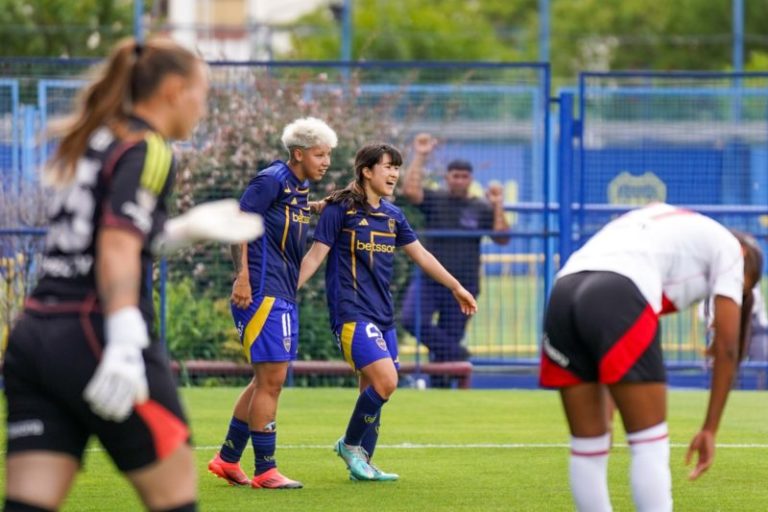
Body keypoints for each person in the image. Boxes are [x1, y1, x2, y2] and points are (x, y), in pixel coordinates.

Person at [2, 37, 264, 512]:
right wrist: (124, 340)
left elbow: (103, 235)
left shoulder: (97, 138)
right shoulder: (150, 147)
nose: (202, 107)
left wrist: (180, 230)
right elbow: (116, 245)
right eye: (200, 93)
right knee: (176, 500)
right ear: (171, 89)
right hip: (97, 334)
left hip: (35, 337)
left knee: (28, 504)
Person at [539, 203, 763, 512]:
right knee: (649, 444)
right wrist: (710, 429)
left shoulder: (669, 225)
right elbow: (727, 348)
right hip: (619, 292)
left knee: (587, 447)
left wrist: (612, 397)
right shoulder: (732, 250)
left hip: (563, 292)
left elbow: (612, 337)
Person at [297, 143, 477, 481]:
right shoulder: (341, 210)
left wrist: (456, 287)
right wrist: (285, 291)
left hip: (384, 316)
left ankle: (362, 463)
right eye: (388, 166)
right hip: (352, 312)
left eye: (397, 167)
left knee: (372, 389)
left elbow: (422, 256)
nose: (394, 173)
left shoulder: (394, 216)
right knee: (387, 381)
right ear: (367, 171)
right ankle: (350, 445)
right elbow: (315, 256)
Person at [207, 117, 337, 489]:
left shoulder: (297, 186)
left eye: (328, 154)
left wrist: (313, 207)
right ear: (298, 154)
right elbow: (240, 225)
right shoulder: (271, 179)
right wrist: (242, 276)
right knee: (272, 383)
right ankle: (266, 470)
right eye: (320, 154)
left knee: (264, 380)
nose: (326, 161)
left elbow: (286, 211)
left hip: (281, 292)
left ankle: (228, 459)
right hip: (262, 291)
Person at [401, 133, 509, 385]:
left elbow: (502, 238)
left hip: (464, 284)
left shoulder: (480, 206)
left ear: (471, 179)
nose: (459, 180)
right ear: (446, 178)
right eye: (455, 175)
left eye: (464, 176)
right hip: (430, 280)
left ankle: (441, 390)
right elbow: (410, 192)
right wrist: (421, 155)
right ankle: (460, 356)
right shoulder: (436, 199)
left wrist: (498, 205)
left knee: (446, 345)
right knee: (410, 318)